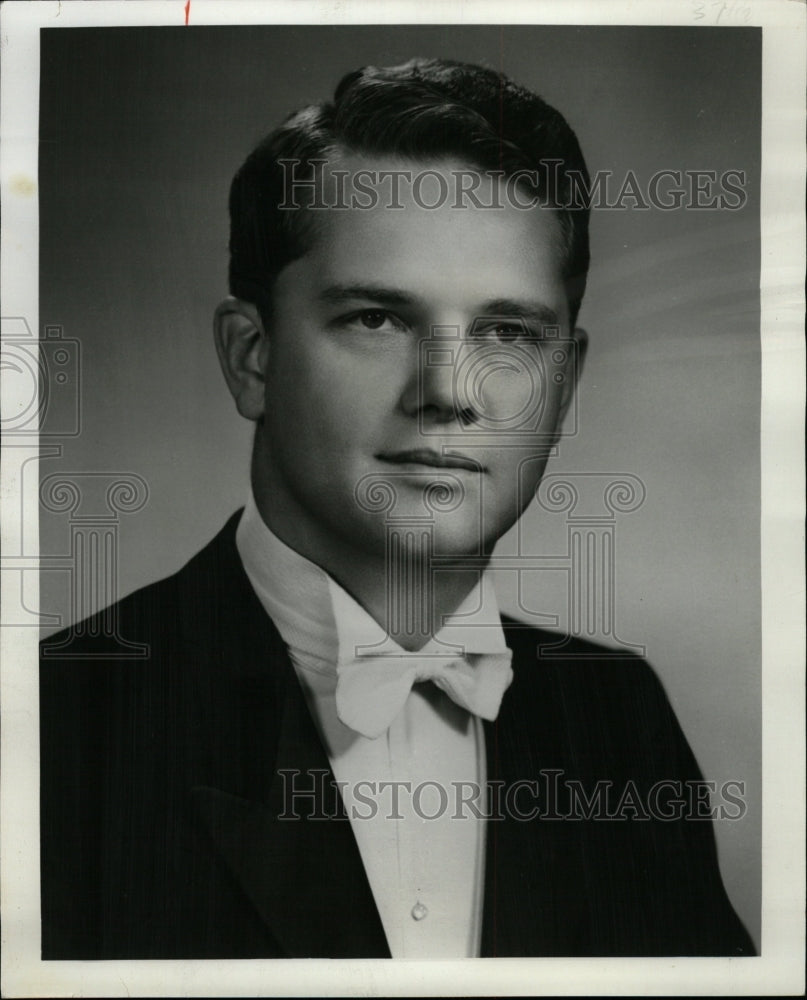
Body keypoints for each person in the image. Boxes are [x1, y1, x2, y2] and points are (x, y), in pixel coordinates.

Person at [39, 57, 754, 959]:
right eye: (378, 319)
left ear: (562, 387)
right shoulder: (52, 726)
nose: (449, 393)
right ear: (250, 357)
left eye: (506, 333)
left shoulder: (616, 720)